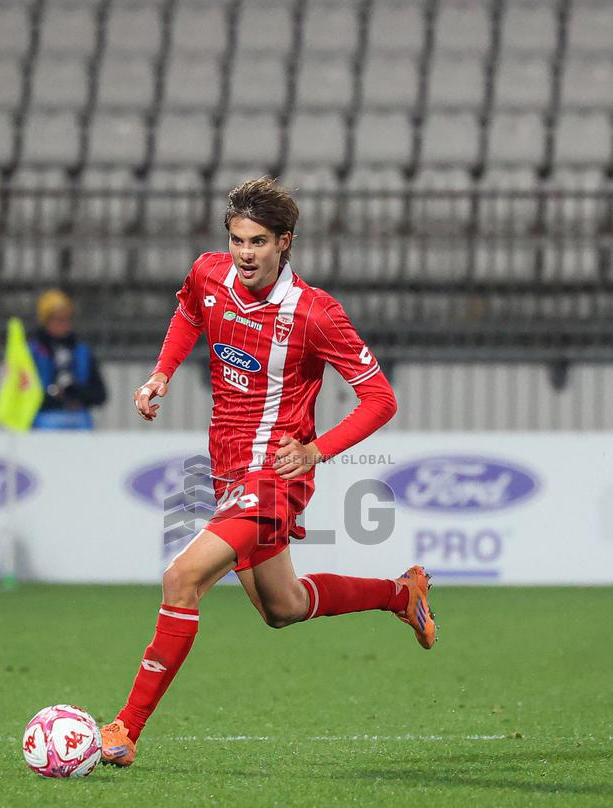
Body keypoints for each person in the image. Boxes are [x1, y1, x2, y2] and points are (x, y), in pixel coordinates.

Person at [101, 177, 436, 768]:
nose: (245, 253)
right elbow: (187, 312)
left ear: (285, 242)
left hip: (276, 478)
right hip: (228, 472)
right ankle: (398, 595)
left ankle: (125, 730)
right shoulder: (209, 274)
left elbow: (381, 398)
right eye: (237, 240)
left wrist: (317, 450)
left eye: (258, 241)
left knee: (182, 579)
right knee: (282, 608)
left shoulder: (313, 313)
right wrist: (161, 374)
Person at [29, 289, 107, 430]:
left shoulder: (81, 351)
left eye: (67, 319)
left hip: (78, 419)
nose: (64, 324)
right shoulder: (31, 352)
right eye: (57, 319)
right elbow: (21, 393)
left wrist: (75, 392)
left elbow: (100, 394)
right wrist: (53, 396)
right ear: (45, 321)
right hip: (43, 418)